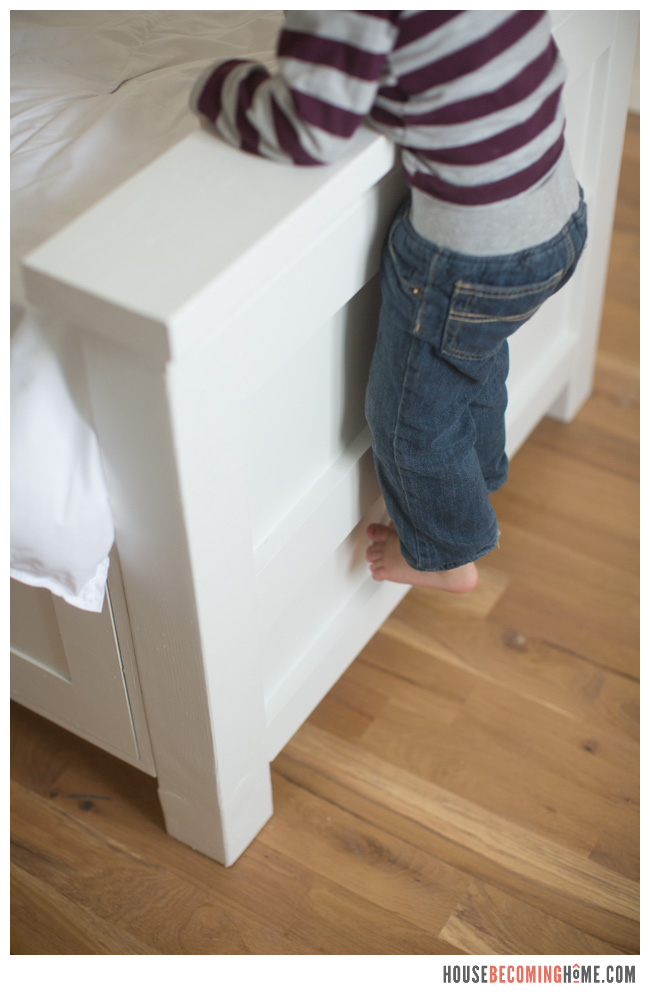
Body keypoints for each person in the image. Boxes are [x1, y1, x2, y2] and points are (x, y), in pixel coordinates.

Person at [190, 10, 587, 594]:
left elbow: (314, 128)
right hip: (557, 214)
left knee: (409, 420)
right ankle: (477, 478)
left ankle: (447, 554)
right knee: (472, 357)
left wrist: (217, 84)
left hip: (470, 258)